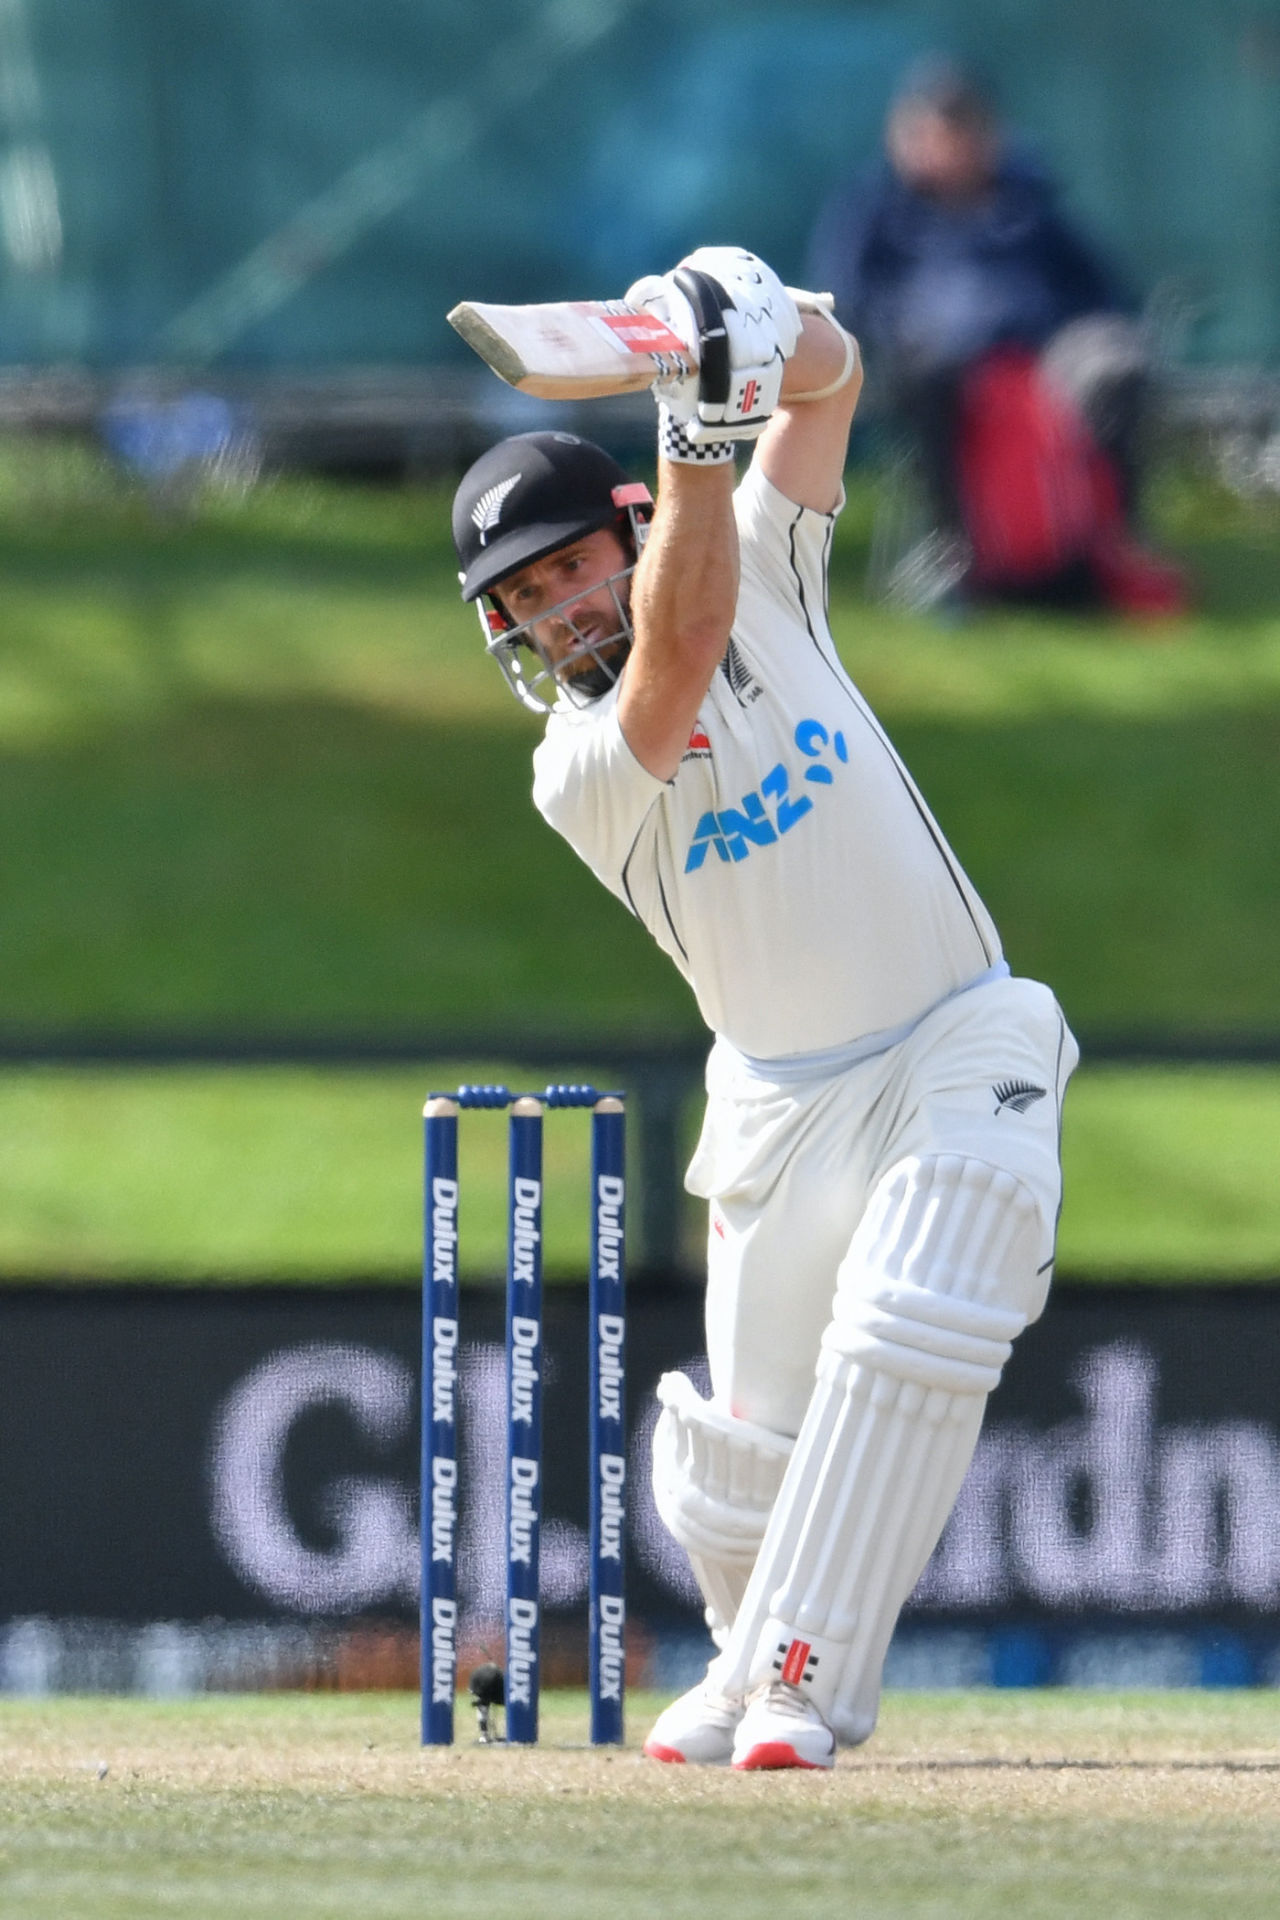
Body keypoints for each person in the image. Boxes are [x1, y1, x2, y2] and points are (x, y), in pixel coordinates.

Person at [450, 246, 1078, 1770]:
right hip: (779, 1106)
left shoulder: (772, 567)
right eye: (524, 604)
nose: (557, 617)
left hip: (952, 1033)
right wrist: (696, 420)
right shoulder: (580, 772)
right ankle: (750, 1659)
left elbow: (839, 384)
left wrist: (761, 326)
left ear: (627, 526)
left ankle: (796, 1674)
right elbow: (671, 647)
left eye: (566, 569)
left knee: (925, 1296)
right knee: (727, 1471)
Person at [806, 58, 1186, 614]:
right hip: (935, 362)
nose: (953, 143)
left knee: (1114, 365)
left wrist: (1089, 341)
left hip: (1044, 358)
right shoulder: (873, 210)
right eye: (937, 128)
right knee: (932, 370)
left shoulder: (1029, 206)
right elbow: (845, 300)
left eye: (967, 128)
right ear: (905, 134)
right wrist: (906, 331)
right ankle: (955, 549)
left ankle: (1106, 541)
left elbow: (1103, 292)